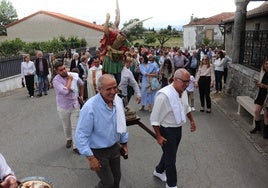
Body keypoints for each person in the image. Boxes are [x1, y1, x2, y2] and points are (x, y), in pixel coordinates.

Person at [75, 74, 128, 188]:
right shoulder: (90, 107)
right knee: (108, 182)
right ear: (99, 89)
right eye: (109, 89)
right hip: (98, 151)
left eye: (115, 87)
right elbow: (81, 135)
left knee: (117, 178)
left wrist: (124, 143)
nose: (113, 91)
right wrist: (91, 158)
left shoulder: (117, 100)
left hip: (114, 147)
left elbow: (121, 122)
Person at [150, 68, 196, 188]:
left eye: (188, 82)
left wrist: (192, 121)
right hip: (167, 130)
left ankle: (159, 170)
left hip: (177, 129)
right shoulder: (164, 95)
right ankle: (171, 184)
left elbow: (186, 108)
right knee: (171, 159)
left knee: (169, 153)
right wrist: (159, 136)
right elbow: (154, 119)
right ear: (175, 79)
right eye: (184, 81)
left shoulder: (183, 91)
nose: (186, 85)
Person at [52, 61, 84, 154]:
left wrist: (81, 95)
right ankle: (68, 138)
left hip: (75, 105)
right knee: (67, 126)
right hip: (63, 107)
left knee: (75, 127)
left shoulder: (73, 75)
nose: (64, 71)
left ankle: (76, 146)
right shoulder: (56, 80)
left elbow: (81, 84)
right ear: (57, 72)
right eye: (61, 70)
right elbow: (65, 91)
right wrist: (69, 80)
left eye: (64, 68)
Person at [250, 58, 268, 134]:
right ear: (264, 65)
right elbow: (260, 81)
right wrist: (258, 84)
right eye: (266, 64)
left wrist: (265, 86)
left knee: (266, 116)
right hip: (261, 94)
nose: (267, 65)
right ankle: (257, 128)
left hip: (267, 96)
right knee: (257, 111)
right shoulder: (262, 72)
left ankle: (266, 133)